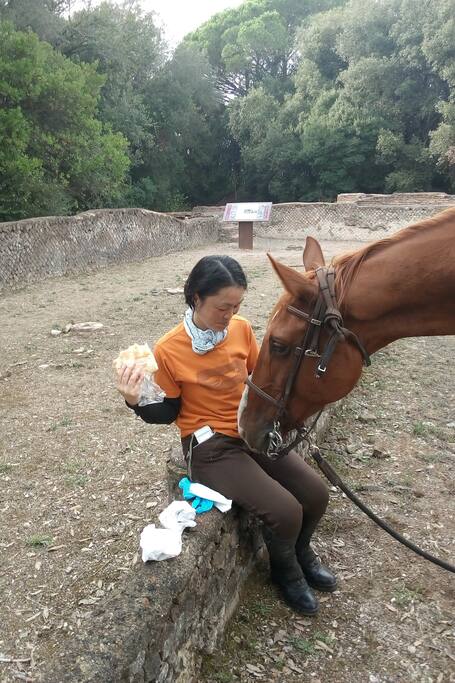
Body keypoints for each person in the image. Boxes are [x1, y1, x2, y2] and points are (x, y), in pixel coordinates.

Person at [116, 255, 336, 615]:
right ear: (196, 298)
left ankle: (301, 552)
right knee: (286, 511)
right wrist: (134, 400)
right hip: (211, 448)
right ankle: (287, 574)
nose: (230, 315)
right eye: (223, 307)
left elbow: (261, 379)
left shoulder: (241, 329)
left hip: (251, 430)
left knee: (316, 495)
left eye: (237, 306)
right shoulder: (169, 349)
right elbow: (167, 412)